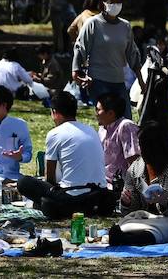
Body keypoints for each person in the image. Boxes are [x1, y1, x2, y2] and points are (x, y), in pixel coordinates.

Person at [18, 90, 114, 218]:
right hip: (99, 197)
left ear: (55, 112)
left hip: (71, 200)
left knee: (24, 182)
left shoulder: (55, 133)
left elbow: (50, 177)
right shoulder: (91, 130)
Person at [72, 0, 142, 116]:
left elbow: (133, 53)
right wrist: (76, 72)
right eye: (112, 2)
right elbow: (80, 48)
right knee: (107, 119)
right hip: (98, 80)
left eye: (118, 2)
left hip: (118, 80)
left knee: (125, 119)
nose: (115, 5)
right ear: (103, 3)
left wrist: (141, 81)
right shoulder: (92, 24)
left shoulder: (125, 26)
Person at [118, 124, 168, 219]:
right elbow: (130, 212)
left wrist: (165, 202)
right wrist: (127, 202)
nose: (144, 152)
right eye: (141, 146)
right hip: (143, 222)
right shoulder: (135, 169)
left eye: (150, 149)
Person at [0, 85, 33, 181]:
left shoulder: (20, 125)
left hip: (13, 178)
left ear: (4, 105)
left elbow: (28, 154)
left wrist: (20, 157)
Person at [95, 93, 140, 186]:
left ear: (111, 113)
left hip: (120, 185)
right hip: (101, 181)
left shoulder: (125, 126)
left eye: (98, 110)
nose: (96, 114)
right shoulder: (103, 128)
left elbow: (134, 161)